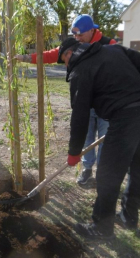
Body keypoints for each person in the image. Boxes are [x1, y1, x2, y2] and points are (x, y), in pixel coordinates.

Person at [58, 38, 140, 239]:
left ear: (69, 54)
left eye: (64, 61)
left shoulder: (80, 69)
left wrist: (74, 152)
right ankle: (129, 217)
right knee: (139, 168)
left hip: (126, 117)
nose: (66, 66)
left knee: (107, 175)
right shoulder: (113, 50)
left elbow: (80, 116)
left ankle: (101, 229)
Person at [16, 14, 116, 185]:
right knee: (86, 136)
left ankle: (103, 175)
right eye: (74, 35)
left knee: (106, 139)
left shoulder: (109, 45)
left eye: (80, 34)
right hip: (86, 103)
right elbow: (50, 55)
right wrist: (24, 58)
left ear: (92, 30)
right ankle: (87, 169)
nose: (77, 38)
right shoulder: (75, 46)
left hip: (107, 104)